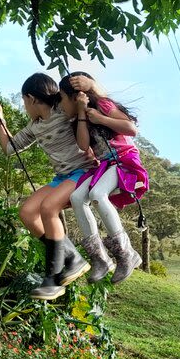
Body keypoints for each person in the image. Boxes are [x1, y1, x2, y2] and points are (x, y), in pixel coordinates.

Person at [0, 73, 96, 300]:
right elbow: (10, 149)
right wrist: (1, 122)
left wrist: (88, 87)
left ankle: (53, 278)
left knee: (48, 208)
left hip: (84, 172)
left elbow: (85, 104)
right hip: (62, 177)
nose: (25, 106)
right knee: (27, 212)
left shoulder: (64, 111)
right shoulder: (35, 126)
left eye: (24, 101)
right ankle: (71, 256)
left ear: (32, 99)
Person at [59, 72, 149, 284]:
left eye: (63, 98)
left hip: (124, 160)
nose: (62, 105)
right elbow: (83, 145)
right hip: (106, 166)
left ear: (74, 96)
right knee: (77, 198)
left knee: (97, 194)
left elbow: (130, 129)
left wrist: (100, 119)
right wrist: (81, 112)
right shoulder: (78, 118)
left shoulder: (104, 106)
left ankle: (126, 253)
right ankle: (100, 258)